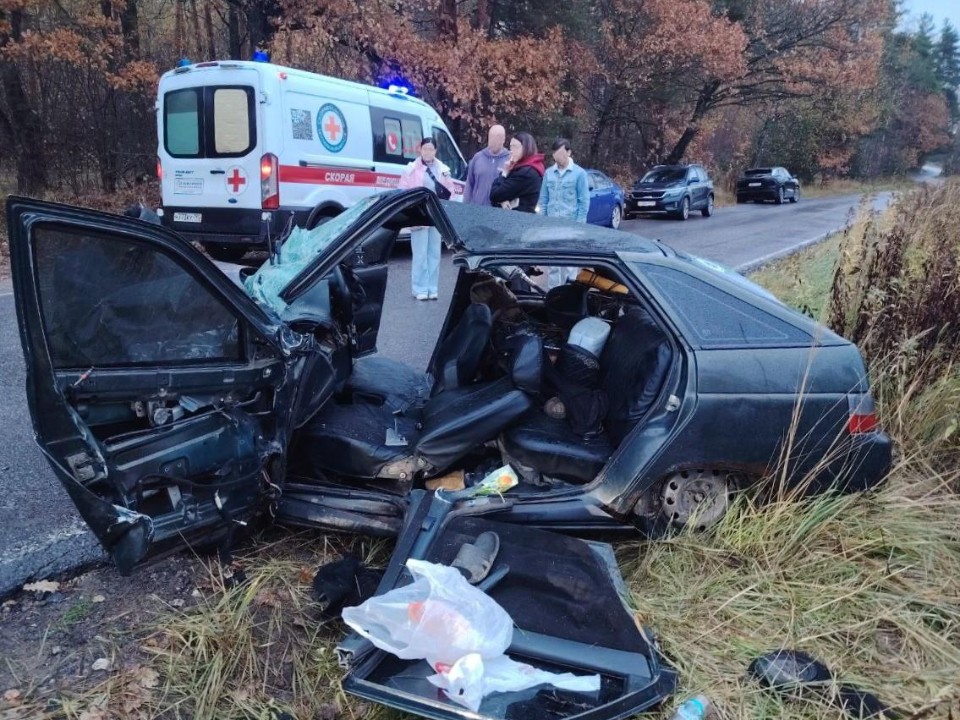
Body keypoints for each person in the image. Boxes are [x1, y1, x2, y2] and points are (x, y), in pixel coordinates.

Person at [397, 137, 455, 300]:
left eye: (431, 149)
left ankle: (432, 287)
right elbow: (402, 191)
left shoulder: (443, 169)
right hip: (419, 215)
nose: (428, 152)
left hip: (436, 215)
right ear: (420, 150)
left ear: (435, 151)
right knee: (420, 253)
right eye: (425, 149)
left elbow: (450, 192)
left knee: (434, 253)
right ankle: (420, 288)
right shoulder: (411, 169)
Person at [537, 138, 590, 286]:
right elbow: (543, 200)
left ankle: (569, 297)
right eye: (555, 153)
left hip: (570, 227)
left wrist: (579, 227)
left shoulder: (579, 174)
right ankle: (553, 297)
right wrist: (542, 222)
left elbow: (583, 202)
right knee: (553, 266)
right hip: (552, 226)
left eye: (560, 153)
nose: (557, 157)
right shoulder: (549, 173)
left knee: (569, 265)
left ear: (569, 152)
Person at [489, 132, 545, 213]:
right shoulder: (524, 167)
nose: (511, 151)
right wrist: (501, 201)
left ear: (526, 148)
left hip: (519, 220)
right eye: (510, 147)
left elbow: (495, 195)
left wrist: (504, 173)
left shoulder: (526, 172)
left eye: (515, 147)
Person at [463, 125, 510, 205]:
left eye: (497, 137)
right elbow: (469, 185)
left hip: (499, 213)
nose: (494, 140)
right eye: (491, 136)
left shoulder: (510, 160)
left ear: (503, 139)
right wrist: (465, 207)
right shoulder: (478, 158)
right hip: (477, 210)